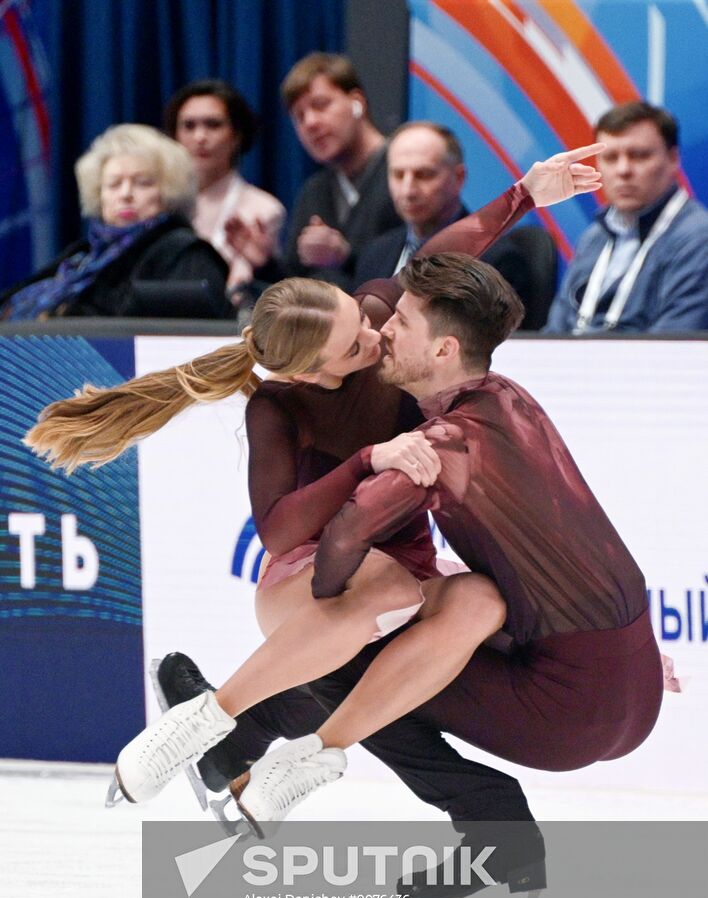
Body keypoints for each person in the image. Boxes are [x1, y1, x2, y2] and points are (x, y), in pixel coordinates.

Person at [24, 144, 604, 834]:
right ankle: (204, 722)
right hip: (307, 575)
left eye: (362, 318)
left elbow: (434, 260)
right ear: (307, 375)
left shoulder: (376, 316)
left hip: (406, 567)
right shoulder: (278, 407)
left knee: (480, 599)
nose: (378, 335)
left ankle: (301, 757)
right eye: (355, 345)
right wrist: (365, 461)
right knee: (384, 592)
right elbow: (278, 531)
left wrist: (525, 193)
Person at [0, 124, 231, 320]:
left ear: (169, 191)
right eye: (114, 184)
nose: (126, 194)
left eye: (143, 183)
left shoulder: (186, 253)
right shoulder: (82, 256)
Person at [354, 121, 554, 327]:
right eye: (398, 175)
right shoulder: (375, 253)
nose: (408, 191)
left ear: (459, 178)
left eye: (423, 175)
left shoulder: (495, 260)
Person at [545, 101, 708, 333]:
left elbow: (674, 342)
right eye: (610, 158)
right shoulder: (594, 236)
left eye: (639, 156)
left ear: (673, 159)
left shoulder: (698, 238)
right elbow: (554, 332)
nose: (623, 170)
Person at [281, 52, 400, 290]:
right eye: (299, 116)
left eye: (320, 105)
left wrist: (345, 257)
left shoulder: (404, 173)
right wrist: (263, 261)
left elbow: (416, 263)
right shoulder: (314, 191)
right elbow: (293, 285)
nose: (310, 123)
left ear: (357, 103)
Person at [165, 79, 285, 295]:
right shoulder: (161, 206)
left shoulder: (264, 209)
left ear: (236, 135)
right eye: (189, 126)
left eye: (213, 125)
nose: (200, 137)